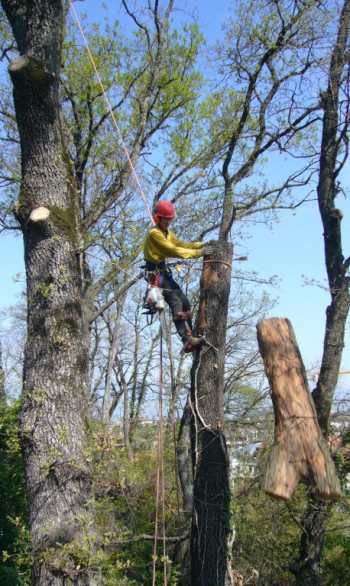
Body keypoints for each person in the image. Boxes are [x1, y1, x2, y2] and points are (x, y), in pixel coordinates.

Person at [143, 200, 215, 352]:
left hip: (163, 273)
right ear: (158, 218)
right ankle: (187, 339)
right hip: (156, 275)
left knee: (185, 302)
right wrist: (199, 253)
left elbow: (181, 244)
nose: (169, 222)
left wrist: (200, 245)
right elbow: (174, 250)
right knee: (176, 301)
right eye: (166, 219)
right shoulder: (154, 234)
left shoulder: (166, 233)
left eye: (170, 219)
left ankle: (191, 336)